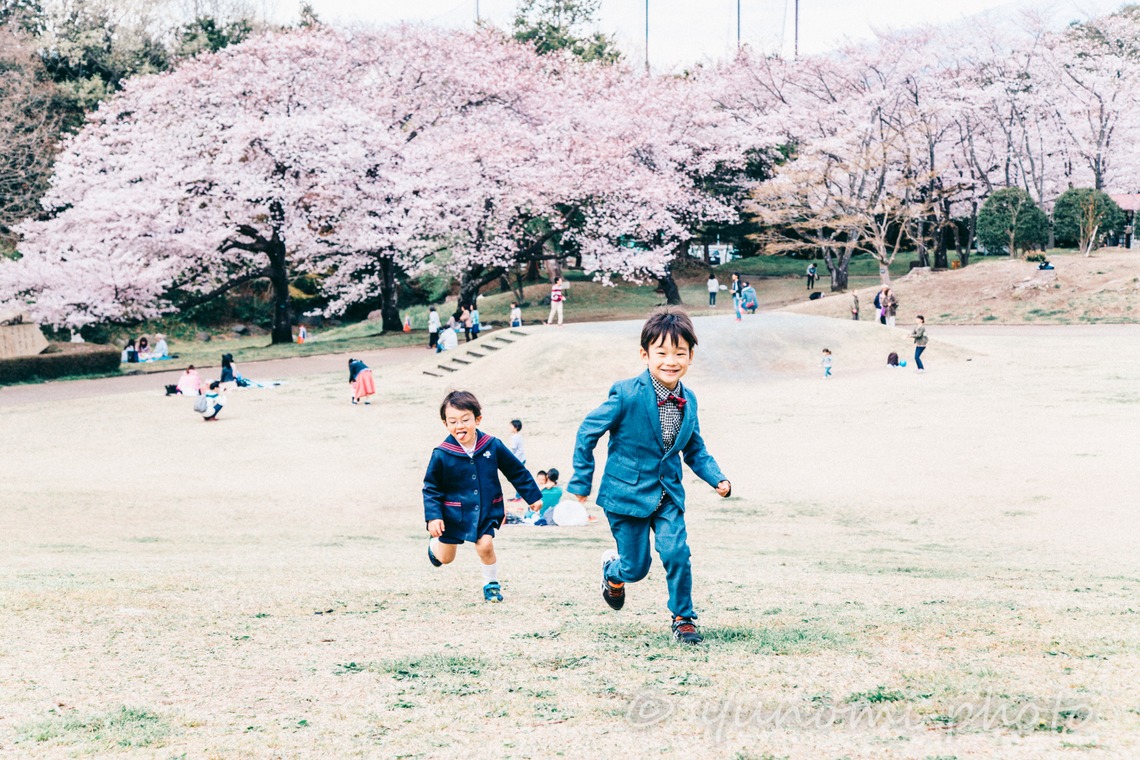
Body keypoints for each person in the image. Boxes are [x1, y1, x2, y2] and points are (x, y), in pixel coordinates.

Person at [568, 307, 731, 645]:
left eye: (679, 353)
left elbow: (695, 449)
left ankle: (683, 618)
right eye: (661, 352)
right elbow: (587, 432)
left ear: (690, 357)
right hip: (625, 496)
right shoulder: (626, 394)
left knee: (676, 552)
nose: (670, 360)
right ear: (645, 355)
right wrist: (582, 481)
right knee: (636, 568)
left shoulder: (690, 399)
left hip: (667, 494)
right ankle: (613, 573)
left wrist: (717, 478)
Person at [422, 390, 543, 603]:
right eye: (453, 421)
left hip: (486, 509)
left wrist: (532, 496)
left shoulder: (492, 445)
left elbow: (516, 471)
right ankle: (434, 545)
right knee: (446, 558)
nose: (459, 425)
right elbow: (431, 488)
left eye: (465, 419)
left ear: (477, 419)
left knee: (485, 545)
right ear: (445, 424)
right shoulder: (441, 453)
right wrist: (434, 517)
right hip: (452, 514)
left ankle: (491, 584)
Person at [507, 419, 527, 502]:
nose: (509, 427)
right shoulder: (518, 436)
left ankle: (518, 496)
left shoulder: (515, 438)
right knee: (519, 479)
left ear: (515, 427)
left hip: (518, 460)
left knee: (517, 479)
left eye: (511, 426)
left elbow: (513, 450)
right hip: (521, 459)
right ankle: (518, 496)